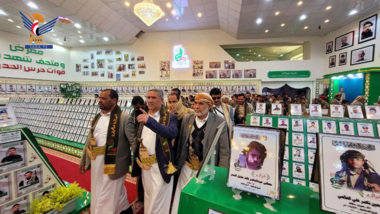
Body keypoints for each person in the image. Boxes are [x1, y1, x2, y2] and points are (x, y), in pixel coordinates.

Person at [172, 93, 230, 214]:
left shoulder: (219, 121)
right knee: (181, 196)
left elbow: (224, 151)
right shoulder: (187, 119)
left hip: (206, 169)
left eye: (201, 104)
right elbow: (182, 143)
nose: (196, 106)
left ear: (209, 106)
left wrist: (221, 172)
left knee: (200, 198)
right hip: (187, 166)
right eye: (195, 103)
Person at [79, 89, 134, 214]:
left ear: (114, 101)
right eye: (99, 98)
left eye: (104, 98)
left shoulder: (124, 118)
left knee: (107, 194)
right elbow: (90, 139)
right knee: (103, 190)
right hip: (97, 163)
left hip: (115, 164)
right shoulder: (98, 117)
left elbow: (133, 142)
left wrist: (137, 164)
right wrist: (83, 161)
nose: (100, 101)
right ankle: (125, 210)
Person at [131, 89, 178, 214]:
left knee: (158, 199)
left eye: (154, 98)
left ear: (162, 100)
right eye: (148, 97)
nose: (150, 100)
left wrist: (150, 121)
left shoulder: (170, 117)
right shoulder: (143, 115)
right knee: (148, 195)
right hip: (146, 165)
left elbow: (172, 133)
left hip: (161, 165)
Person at [127, 96, 148, 210]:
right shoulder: (133, 115)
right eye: (135, 108)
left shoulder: (150, 112)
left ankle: (147, 196)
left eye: (139, 107)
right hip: (138, 147)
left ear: (144, 104)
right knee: (139, 173)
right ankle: (141, 197)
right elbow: (132, 130)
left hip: (149, 148)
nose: (137, 110)